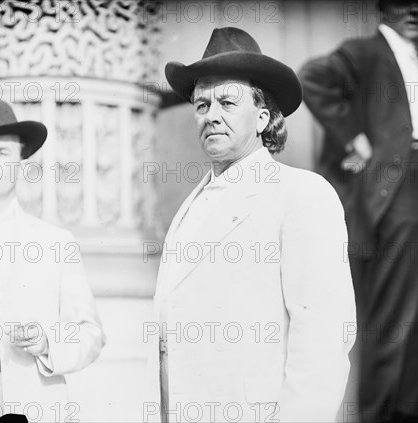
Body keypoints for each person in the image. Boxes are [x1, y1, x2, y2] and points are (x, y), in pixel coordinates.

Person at [143, 27, 356, 423]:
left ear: (262, 117)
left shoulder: (300, 194)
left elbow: (324, 337)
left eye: (227, 101)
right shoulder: (190, 207)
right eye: (202, 105)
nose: (212, 116)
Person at [299, 1, 418, 421]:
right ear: (382, 8)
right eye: (399, 2)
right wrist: (355, 139)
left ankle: (406, 411)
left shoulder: (414, 59)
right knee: (398, 312)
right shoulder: (366, 50)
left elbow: (413, 124)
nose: (413, 9)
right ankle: (381, 414)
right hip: (402, 191)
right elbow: (312, 79)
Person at [0, 100, 106, 423]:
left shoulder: (55, 243)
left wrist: (48, 342)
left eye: (2, 152)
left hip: (34, 403)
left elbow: (91, 335)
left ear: (21, 163)